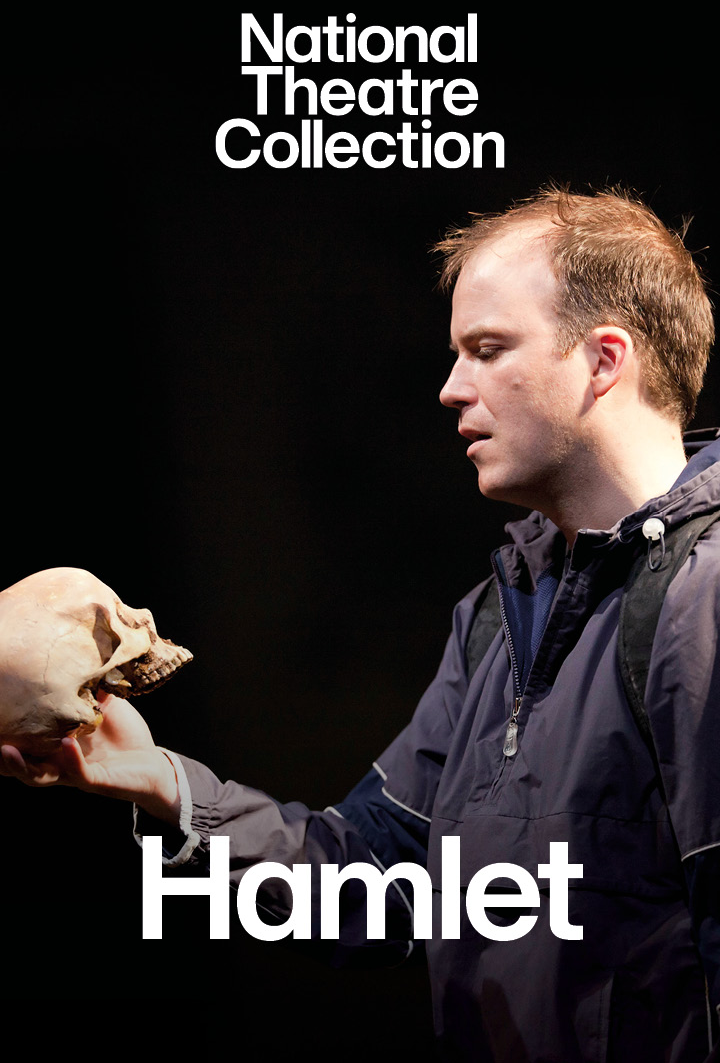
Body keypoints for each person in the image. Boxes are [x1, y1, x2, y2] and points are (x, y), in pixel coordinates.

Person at [2, 187, 718, 1062]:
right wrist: (162, 786)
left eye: (488, 350)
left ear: (604, 361)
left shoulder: (701, 600)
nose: (452, 388)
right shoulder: (501, 616)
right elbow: (378, 881)